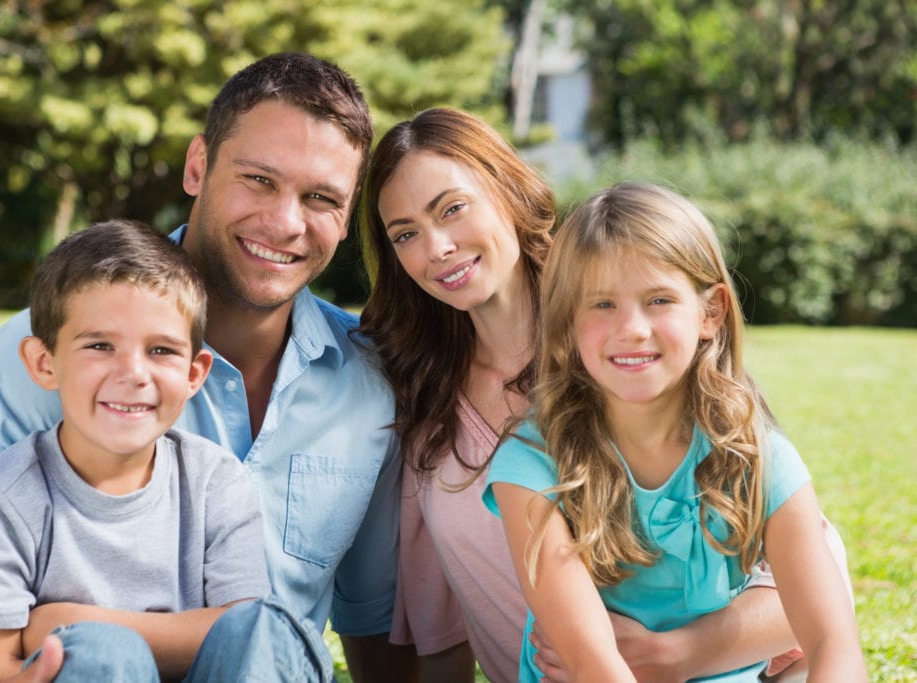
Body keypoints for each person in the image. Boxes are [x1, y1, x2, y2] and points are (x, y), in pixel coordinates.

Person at [0, 52, 407, 683]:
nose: (284, 222)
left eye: (322, 197)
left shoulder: (371, 383)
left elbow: (375, 620)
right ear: (199, 166)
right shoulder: (60, 353)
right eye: (258, 180)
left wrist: (76, 617)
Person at [358, 109, 853, 683]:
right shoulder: (421, 393)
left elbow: (818, 579)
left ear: (510, 192)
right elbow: (435, 610)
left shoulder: (637, 355)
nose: (437, 246)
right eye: (405, 234)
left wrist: (671, 657)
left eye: (453, 208)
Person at [484, 182, 866, 682]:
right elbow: (590, 661)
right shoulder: (533, 460)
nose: (632, 328)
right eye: (602, 305)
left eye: (659, 299)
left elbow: (833, 640)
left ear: (710, 313)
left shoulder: (759, 455)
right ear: (567, 325)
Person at [0, 219, 274, 682]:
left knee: (280, 636)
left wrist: (69, 621)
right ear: (44, 363)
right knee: (102, 656)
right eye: (100, 345)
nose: (133, 373)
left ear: (194, 373)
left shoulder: (215, 484)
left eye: (161, 350)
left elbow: (249, 635)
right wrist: (96, 644)